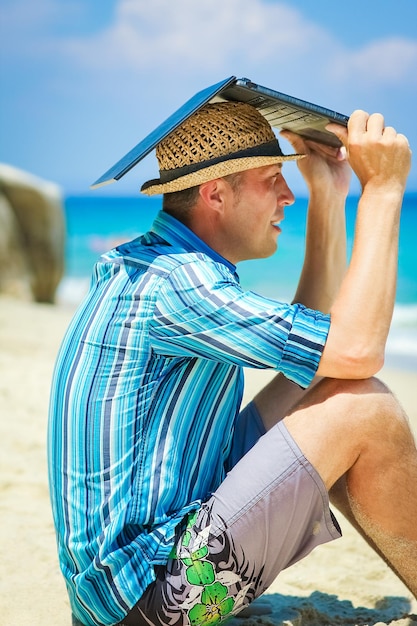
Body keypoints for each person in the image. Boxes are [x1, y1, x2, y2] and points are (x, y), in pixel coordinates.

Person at [48, 99, 416, 626]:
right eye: (272, 179)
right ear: (215, 193)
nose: (286, 194)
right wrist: (383, 191)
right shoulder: (179, 283)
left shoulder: (162, 266)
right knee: (367, 409)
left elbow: (322, 348)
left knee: (337, 379)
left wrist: (329, 198)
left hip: (137, 574)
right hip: (150, 599)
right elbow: (358, 348)